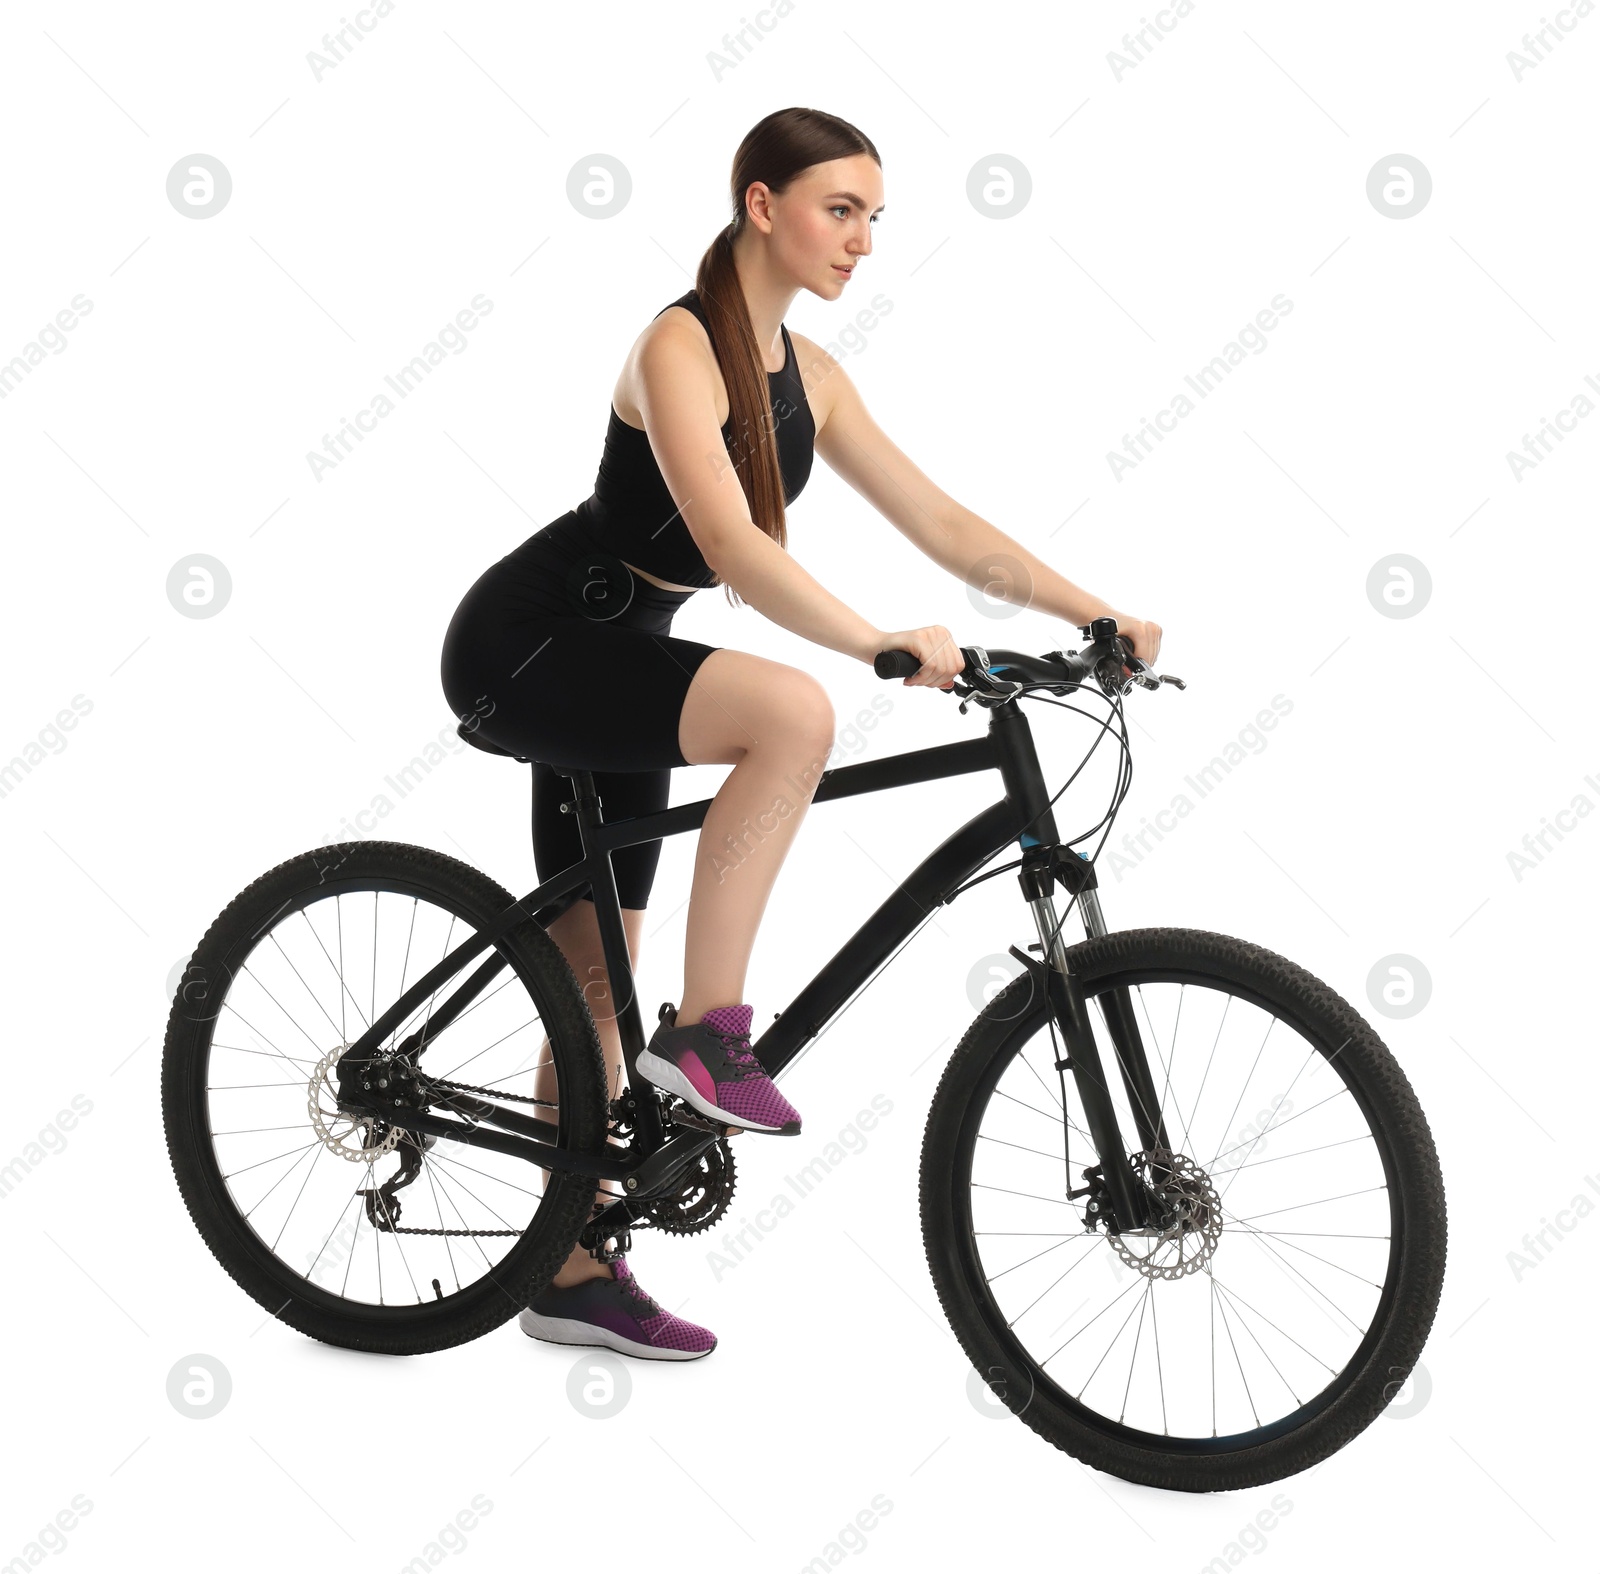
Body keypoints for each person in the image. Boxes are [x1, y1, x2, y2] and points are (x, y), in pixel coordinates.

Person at [438, 106, 1163, 1361]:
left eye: (876, 217)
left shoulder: (813, 377)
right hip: (534, 641)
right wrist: (873, 639)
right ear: (761, 205)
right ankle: (711, 1037)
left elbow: (943, 522)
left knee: (588, 976)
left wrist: (1093, 608)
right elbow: (727, 544)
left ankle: (566, 1263)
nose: (864, 240)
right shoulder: (677, 345)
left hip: (629, 657)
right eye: (842, 209)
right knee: (791, 710)